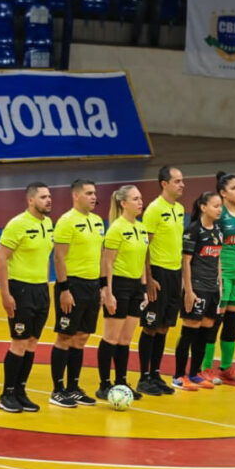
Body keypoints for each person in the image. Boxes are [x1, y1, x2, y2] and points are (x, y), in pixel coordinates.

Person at [0, 184, 54, 413]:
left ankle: (21, 391)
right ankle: (6, 393)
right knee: (19, 342)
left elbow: (45, 257)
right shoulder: (17, 224)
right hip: (21, 290)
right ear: (30, 200)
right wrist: (5, 293)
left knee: (32, 343)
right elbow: (1, 258)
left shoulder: (48, 224)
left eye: (49, 196)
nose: (49, 200)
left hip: (41, 289)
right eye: (43, 197)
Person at [50, 180, 104, 408]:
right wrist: (64, 289)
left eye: (95, 193)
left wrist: (103, 286)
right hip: (72, 285)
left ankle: (73, 386)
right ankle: (58, 390)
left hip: (92, 286)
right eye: (89, 193)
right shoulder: (66, 221)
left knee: (81, 338)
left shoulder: (98, 221)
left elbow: (101, 255)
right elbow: (58, 257)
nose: (93, 197)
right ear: (76, 196)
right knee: (65, 336)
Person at [96, 185, 149, 400]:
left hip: (135, 286)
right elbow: (106, 263)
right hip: (118, 285)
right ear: (123, 203)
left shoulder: (142, 228)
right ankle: (104, 384)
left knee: (126, 339)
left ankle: (121, 381)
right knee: (111, 336)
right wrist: (107, 292)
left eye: (140, 198)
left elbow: (143, 262)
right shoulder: (116, 229)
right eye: (135, 199)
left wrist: (144, 288)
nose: (140, 202)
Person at [137, 166, 185, 396]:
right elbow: (144, 245)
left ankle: (155, 374)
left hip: (174, 273)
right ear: (164, 184)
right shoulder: (154, 210)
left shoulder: (180, 209)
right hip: (158, 272)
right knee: (150, 326)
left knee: (165, 325)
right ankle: (143, 377)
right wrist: (148, 278)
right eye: (176, 181)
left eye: (182, 181)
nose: (181, 185)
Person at [174, 192, 224, 391]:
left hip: (212, 288)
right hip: (197, 287)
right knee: (189, 331)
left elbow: (217, 258)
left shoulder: (218, 231)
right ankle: (178, 375)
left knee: (205, 332)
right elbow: (185, 262)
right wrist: (188, 290)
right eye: (215, 206)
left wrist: (220, 284)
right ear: (203, 207)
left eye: (220, 206)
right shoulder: (193, 231)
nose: (219, 209)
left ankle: (194, 373)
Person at [205, 173, 235, 383]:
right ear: (222, 193)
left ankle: (226, 367)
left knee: (233, 322)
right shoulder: (218, 215)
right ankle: (205, 367)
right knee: (215, 321)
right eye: (234, 188)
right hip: (221, 274)